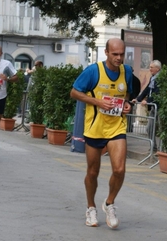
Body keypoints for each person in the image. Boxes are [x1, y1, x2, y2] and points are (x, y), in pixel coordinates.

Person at [70, 38, 133, 229]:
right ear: (106, 52)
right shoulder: (93, 71)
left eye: (122, 54)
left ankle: (109, 203)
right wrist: (98, 102)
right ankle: (91, 208)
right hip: (95, 128)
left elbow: (127, 94)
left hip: (116, 127)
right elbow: (74, 92)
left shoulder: (127, 71)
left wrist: (127, 105)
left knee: (119, 169)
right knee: (92, 172)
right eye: (115, 54)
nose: (119, 58)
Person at [132, 60, 162, 151]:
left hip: (160, 107)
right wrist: (138, 99)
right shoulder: (153, 78)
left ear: (157, 69)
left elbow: (158, 93)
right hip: (153, 107)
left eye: (151, 67)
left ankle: (163, 150)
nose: (150, 69)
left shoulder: (160, 78)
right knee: (149, 128)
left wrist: (148, 101)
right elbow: (147, 90)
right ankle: (154, 147)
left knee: (161, 130)